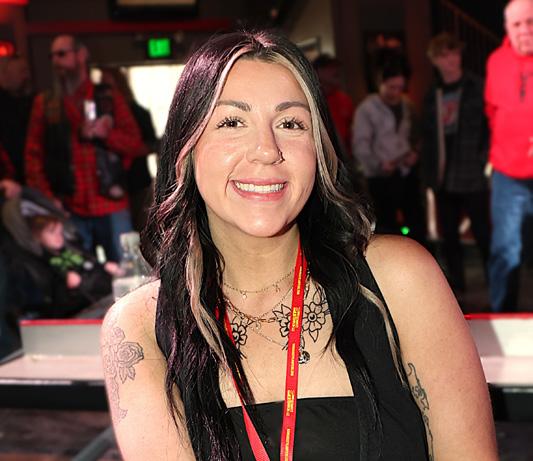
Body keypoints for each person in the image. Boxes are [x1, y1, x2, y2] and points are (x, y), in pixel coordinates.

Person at [100, 30, 497, 460]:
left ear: (320, 149)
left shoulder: (399, 279)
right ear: (186, 149)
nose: (266, 151)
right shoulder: (140, 327)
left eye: (290, 124)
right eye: (232, 122)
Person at [24, 35, 144, 262]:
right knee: (79, 276)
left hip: (111, 203)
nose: (55, 61)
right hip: (68, 206)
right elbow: (33, 156)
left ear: (81, 55)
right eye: (52, 56)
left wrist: (106, 134)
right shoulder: (45, 103)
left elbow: (135, 144)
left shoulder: (108, 97)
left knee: (128, 270)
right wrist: (47, 198)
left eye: (62, 54)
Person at [422, 33, 490, 294]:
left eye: (453, 53)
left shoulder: (477, 87)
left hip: (472, 170)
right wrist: (429, 175)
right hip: (443, 173)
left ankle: (495, 284)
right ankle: (458, 287)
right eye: (442, 55)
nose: (449, 60)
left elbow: (490, 126)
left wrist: (485, 160)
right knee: (449, 235)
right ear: (434, 60)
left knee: (483, 232)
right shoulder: (433, 93)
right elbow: (428, 137)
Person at [485, 0, 533, 312]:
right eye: (517, 24)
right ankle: (502, 319)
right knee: (506, 252)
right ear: (507, 28)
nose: (524, 30)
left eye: (530, 22)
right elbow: (492, 111)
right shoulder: (496, 61)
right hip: (508, 174)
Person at [352, 61, 427, 244]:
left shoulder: (407, 104)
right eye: (392, 87)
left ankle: (420, 254)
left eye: (400, 88)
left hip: (405, 171)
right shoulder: (367, 109)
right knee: (387, 225)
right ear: (381, 83)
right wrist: (377, 164)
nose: (396, 92)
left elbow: (416, 135)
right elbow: (360, 144)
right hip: (380, 176)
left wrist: (414, 153)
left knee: (416, 219)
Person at [100, 67, 158, 233]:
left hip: (137, 181)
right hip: (110, 185)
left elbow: (151, 145)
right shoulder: (100, 115)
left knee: (142, 232)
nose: (105, 91)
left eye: (108, 86)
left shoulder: (138, 112)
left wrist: (124, 146)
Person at [0, 54, 35, 185]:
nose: (27, 77)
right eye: (22, 71)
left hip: (30, 173)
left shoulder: (32, 102)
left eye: (27, 71)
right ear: (5, 75)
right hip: (9, 178)